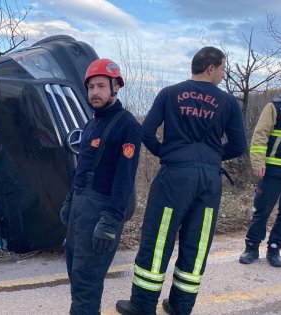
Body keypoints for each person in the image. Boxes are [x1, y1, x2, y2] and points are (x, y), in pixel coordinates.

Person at [115, 47, 247, 315]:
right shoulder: (229, 102)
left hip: (174, 176)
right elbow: (238, 145)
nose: (222, 74)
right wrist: (212, 157)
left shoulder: (169, 93)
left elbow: (146, 132)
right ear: (210, 68)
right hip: (209, 180)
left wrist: (166, 152)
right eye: (222, 68)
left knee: (159, 237)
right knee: (197, 243)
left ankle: (142, 306)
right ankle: (180, 306)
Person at [60, 58, 142, 314]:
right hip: (81, 208)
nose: (94, 92)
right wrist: (70, 200)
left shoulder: (127, 125)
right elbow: (82, 169)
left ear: (115, 87)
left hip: (101, 211)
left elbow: (125, 178)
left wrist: (111, 220)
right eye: (91, 87)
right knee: (75, 272)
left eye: (100, 86)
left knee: (87, 283)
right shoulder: (91, 124)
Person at [239, 68, 281, 268]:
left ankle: (275, 248)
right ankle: (251, 247)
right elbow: (260, 136)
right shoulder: (275, 106)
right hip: (273, 171)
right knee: (262, 210)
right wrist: (258, 162)